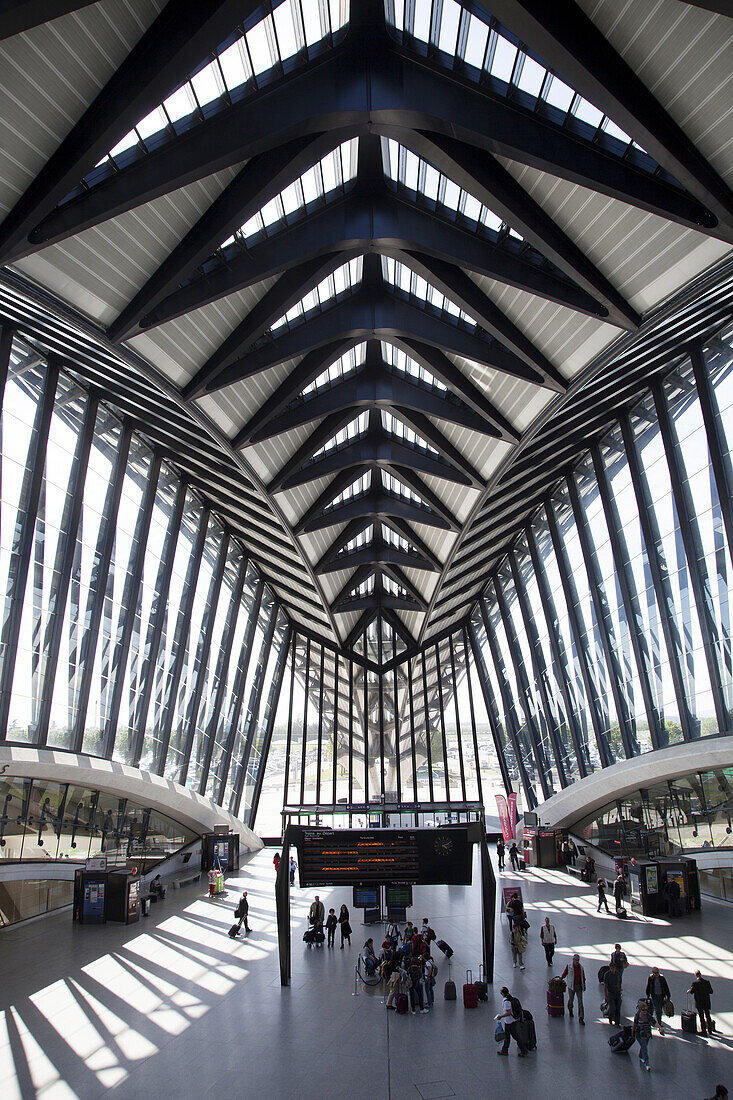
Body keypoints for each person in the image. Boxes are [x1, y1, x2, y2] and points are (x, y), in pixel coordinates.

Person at [496, 986, 528, 1057]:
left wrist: (501, 1016)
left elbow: (509, 1012)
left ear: (503, 993)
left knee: (516, 1036)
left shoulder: (506, 1002)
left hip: (510, 1022)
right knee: (507, 1036)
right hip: (509, 1021)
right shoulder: (510, 998)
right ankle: (504, 1050)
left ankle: (523, 1050)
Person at [560, 954, 586, 1024]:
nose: (577, 962)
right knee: (571, 1000)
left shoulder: (581, 968)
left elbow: (583, 977)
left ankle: (581, 1017)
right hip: (571, 986)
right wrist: (561, 978)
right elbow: (565, 973)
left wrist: (584, 985)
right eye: (575, 960)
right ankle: (570, 1009)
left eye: (578, 960)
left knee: (580, 1002)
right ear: (573, 960)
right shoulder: (569, 966)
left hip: (579, 986)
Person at [645, 966, 671, 1033]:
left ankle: (659, 1020)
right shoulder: (651, 978)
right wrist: (648, 996)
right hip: (654, 996)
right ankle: (659, 1024)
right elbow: (648, 987)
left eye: (658, 973)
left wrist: (668, 996)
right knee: (657, 1010)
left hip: (661, 996)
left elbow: (666, 987)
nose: (657, 974)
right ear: (653, 973)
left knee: (660, 1009)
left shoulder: (662, 978)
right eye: (655, 973)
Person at [688, 970, 715, 1035]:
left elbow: (692, 992)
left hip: (699, 1002)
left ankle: (704, 1031)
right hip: (706, 1002)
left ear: (695, 975)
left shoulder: (695, 983)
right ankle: (710, 1030)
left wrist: (689, 990)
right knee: (708, 1016)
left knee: (701, 1017)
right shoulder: (707, 982)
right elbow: (711, 991)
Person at [632, 998, 653, 1072]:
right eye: (643, 1010)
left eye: (646, 1010)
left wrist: (659, 1027)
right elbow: (634, 1024)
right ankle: (647, 1063)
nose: (645, 1012)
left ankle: (641, 1056)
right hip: (639, 1034)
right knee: (644, 1047)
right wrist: (633, 1032)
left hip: (646, 1033)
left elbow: (653, 1022)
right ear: (640, 1010)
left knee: (645, 1045)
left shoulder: (648, 1015)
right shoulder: (637, 1016)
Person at [604, 962, 623, 1027]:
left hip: (617, 993)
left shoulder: (618, 974)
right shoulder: (607, 975)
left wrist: (620, 990)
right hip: (611, 993)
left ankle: (617, 1023)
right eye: (611, 968)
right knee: (612, 1008)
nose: (613, 969)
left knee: (618, 1008)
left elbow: (620, 982)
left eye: (614, 968)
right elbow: (605, 986)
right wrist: (606, 995)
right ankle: (610, 1017)